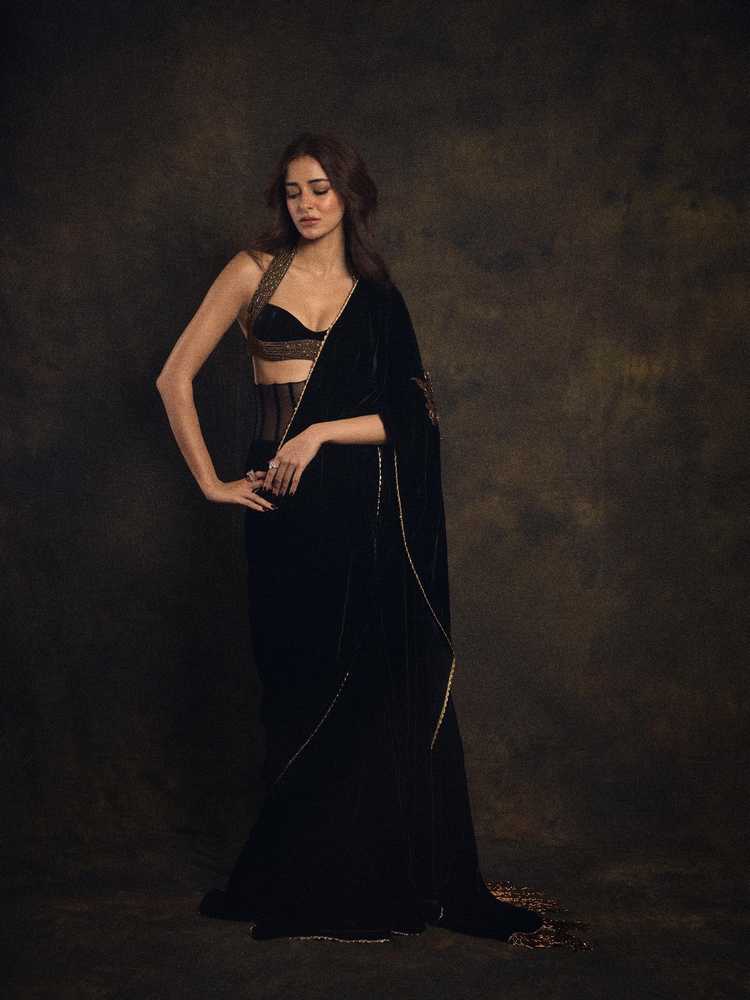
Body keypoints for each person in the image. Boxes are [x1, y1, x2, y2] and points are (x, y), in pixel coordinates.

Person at [155, 131, 547, 944]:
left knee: (372, 687)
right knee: (297, 686)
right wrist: (211, 482)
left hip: (361, 514)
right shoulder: (252, 273)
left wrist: (319, 431)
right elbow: (173, 377)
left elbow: (413, 417)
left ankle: (371, 874)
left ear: (349, 196)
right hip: (280, 513)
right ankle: (299, 875)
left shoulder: (377, 294)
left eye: (320, 189)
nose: (305, 204)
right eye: (293, 190)